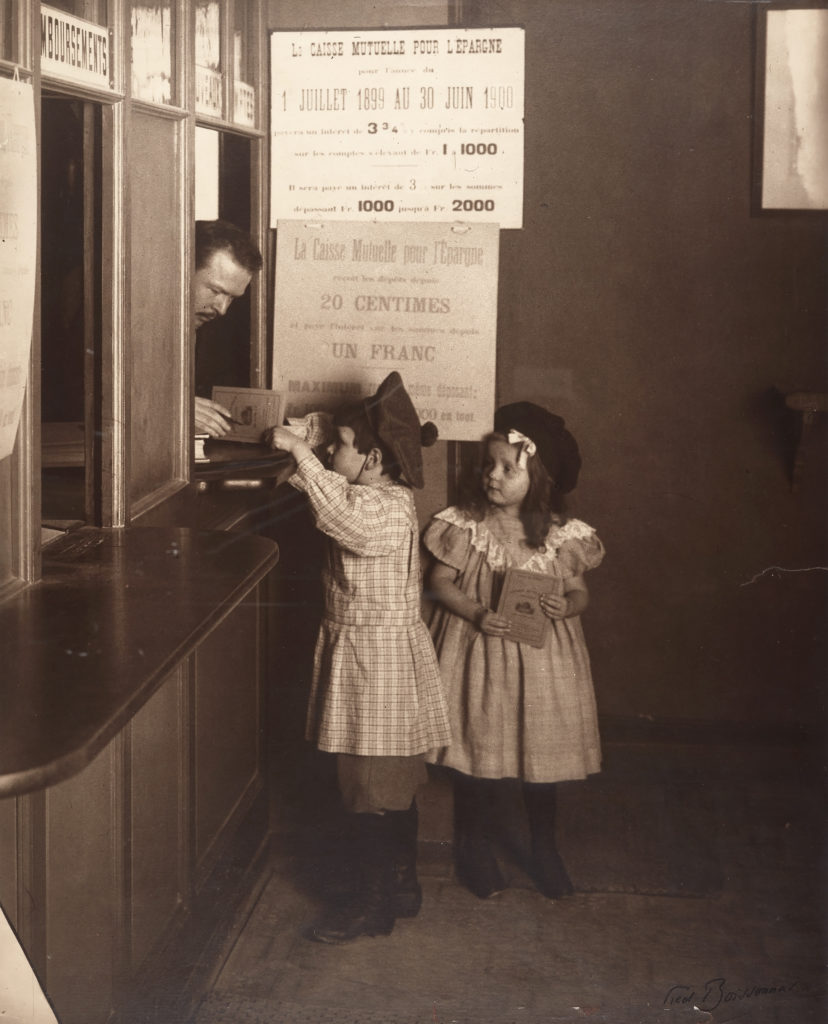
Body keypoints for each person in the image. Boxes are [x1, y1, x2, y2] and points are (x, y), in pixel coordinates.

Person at [265, 372, 450, 944]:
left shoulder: (388, 508)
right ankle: (399, 884)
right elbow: (333, 495)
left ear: (372, 459)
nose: (329, 451)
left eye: (340, 445)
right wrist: (310, 444)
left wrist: (300, 453)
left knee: (371, 787)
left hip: (379, 664)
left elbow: (343, 517)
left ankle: (376, 903)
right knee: (381, 782)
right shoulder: (369, 490)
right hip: (368, 656)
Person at [422, 402, 605, 900]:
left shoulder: (559, 535)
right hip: (480, 651)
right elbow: (439, 582)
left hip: (543, 660)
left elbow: (580, 593)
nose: (492, 476)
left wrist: (562, 606)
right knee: (480, 744)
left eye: (508, 468)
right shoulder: (466, 525)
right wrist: (478, 613)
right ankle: (473, 846)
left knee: (540, 755)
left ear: (540, 477)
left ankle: (544, 848)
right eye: (488, 465)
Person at [192, 219, 263, 437]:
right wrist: (171, 409)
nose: (222, 309)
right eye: (215, 291)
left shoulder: (216, 335)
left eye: (232, 298)